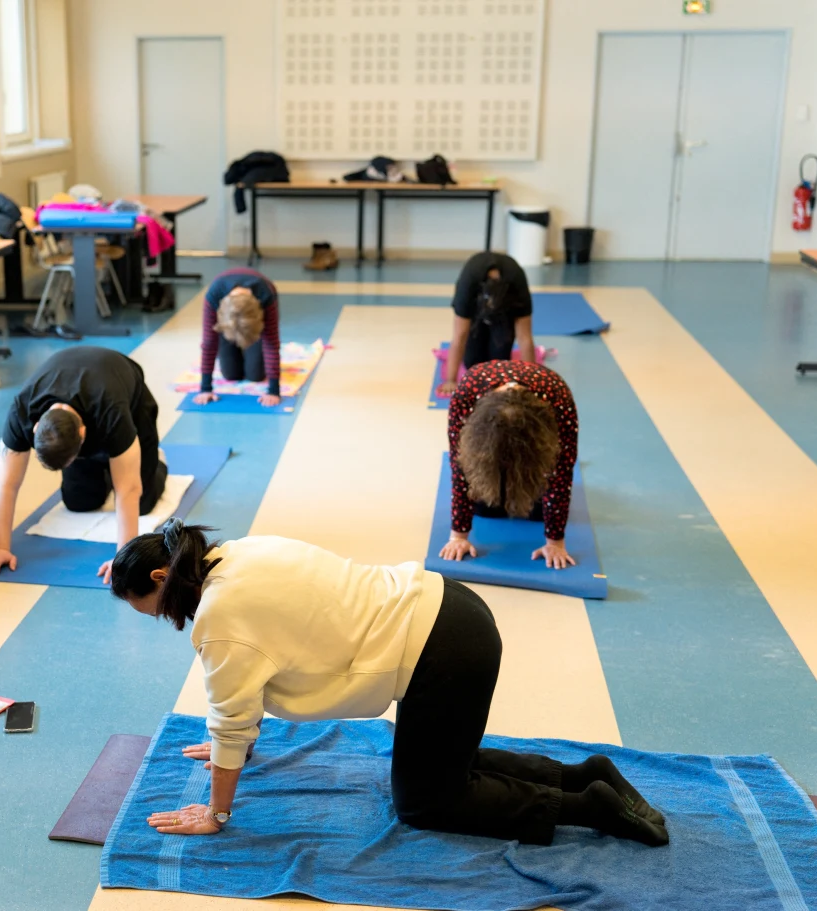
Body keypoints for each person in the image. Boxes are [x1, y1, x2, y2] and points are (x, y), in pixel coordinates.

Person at [111, 521, 669, 846]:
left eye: (154, 609)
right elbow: (250, 681)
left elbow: (231, 709)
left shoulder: (221, 619)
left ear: (163, 579)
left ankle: (591, 808)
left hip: (443, 651)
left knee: (427, 802)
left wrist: (217, 812)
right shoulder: (238, 552)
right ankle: (585, 773)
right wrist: (237, 745)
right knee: (444, 766)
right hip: (450, 609)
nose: (166, 620)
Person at [0, 346, 167, 584]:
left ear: (82, 432)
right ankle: (110, 466)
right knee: (80, 503)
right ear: (36, 428)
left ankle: (154, 461)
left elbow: (128, 489)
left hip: (123, 383)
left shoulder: (111, 410)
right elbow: (6, 484)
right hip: (77, 392)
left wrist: (122, 559)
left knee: (142, 502)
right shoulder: (22, 411)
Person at [441, 360, 578, 570]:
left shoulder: (557, 399)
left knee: (536, 512)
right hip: (481, 412)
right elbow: (461, 466)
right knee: (486, 507)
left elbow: (562, 472)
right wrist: (458, 536)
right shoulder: (467, 395)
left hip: (542, 416)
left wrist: (555, 542)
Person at [438, 252, 536, 398]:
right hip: (476, 312)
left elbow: (525, 337)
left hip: (505, 314)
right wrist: (451, 380)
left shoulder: (516, 283)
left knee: (499, 366)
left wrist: (531, 382)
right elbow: (460, 334)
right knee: (473, 364)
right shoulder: (468, 284)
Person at [192, 268, 282, 409]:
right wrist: (205, 388)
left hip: (252, 327)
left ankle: (250, 349)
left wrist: (274, 391)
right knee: (231, 374)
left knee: (256, 375)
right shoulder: (214, 294)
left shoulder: (266, 294)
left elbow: (271, 342)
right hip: (228, 325)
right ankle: (234, 345)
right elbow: (209, 343)